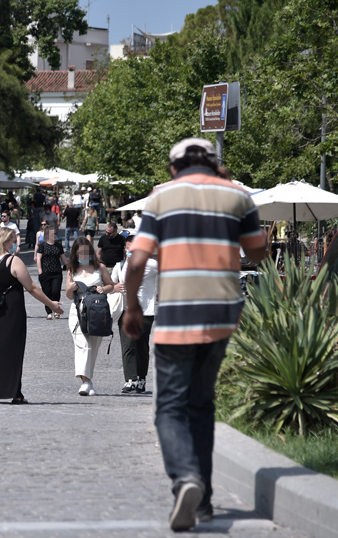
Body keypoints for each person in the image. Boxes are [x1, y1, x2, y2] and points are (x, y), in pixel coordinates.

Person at [122, 137, 267, 531]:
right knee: (202, 405)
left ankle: (186, 478)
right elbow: (257, 254)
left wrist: (132, 306)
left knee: (170, 406)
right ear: (215, 163)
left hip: (176, 316)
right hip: (221, 316)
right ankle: (203, 503)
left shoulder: (161, 197)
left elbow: (137, 260)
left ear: (174, 167)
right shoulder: (238, 195)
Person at [0, 228, 63, 404]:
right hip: (10, 312)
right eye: (12, 241)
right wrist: (51, 304)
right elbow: (32, 288)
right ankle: (15, 393)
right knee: (11, 352)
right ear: (5, 242)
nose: (14, 245)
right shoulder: (13, 261)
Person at [65, 237, 114, 396]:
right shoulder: (72, 269)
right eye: (80, 253)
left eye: (86, 252)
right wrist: (71, 288)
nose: (84, 255)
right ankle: (85, 382)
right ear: (75, 253)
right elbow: (69, 296)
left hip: (98, 311)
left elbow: (111, 286)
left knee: (93, 347)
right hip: (78, 311)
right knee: (83, 344)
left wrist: (103, 289)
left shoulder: (100, 267)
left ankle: (88, 380)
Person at [112, 238, 157, 393]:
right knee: (127, 345)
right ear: (125, 248)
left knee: (141, 347)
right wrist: (115, 287)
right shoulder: (120, 266)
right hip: (125, 311)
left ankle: (141, 379)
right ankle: (130, 379)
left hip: (146, 311)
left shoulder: (150, 264)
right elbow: (110, 285)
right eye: (128, 247)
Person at [36, 226, 68, 320]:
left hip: (57, 272)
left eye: (55, 233)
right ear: (47, 235)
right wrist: (40, 272)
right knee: (47, 293)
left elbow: (63, 258)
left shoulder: (58, 245)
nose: (54, 235)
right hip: (45, 272)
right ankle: (49, 312)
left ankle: (56, 310)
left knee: (56, 291)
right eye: (52, 234)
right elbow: (38, 259)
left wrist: (69, 266)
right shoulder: (42, 245)